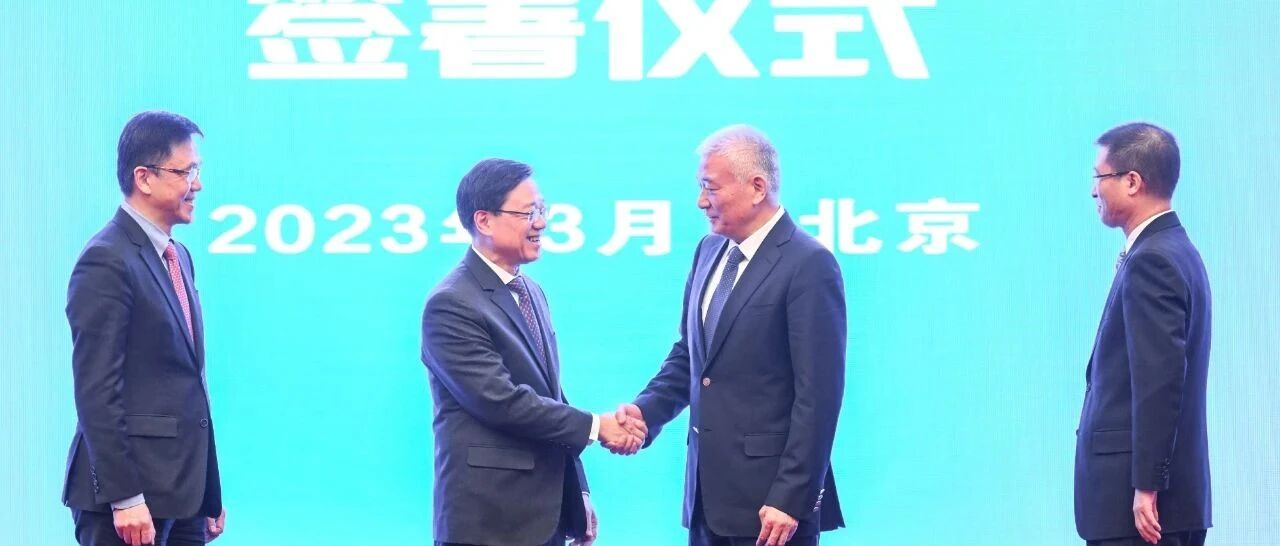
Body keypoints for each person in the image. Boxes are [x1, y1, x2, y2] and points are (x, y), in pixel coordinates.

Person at [617, 125, 846, 546]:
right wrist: (646, 413)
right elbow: (691, 356)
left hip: (772, 510)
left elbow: (819, 396)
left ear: (757, 187)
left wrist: (790, 497)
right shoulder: (708, 251)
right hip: (707, 500)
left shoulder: (808, 263)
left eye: (710, 188)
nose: (701, 201)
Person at [421, 158, 645, 546]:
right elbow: (502, 402)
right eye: (528, 213)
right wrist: (598, 426)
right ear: (484, 220)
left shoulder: (531, 292)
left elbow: (550, 396)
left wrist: (578, 496)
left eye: (542, 210)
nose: (540, 223)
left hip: (544, 518)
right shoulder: (452, 303)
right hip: (488, 524)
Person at [64, 111, 226, 546]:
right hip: (129, 503)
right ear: (144, 178)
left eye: (197, 171)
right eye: (185, 172)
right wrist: (125, 497)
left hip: (183, 498)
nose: (197, 185)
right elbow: (97, 389)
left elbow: (187, 383)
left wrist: (208, 491)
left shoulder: (179, 257)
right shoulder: (107, 259)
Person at [1076, 122, 1212, 546]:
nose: (1094, 191)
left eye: (1099, 177)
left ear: (1132, 181)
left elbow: (1160, 382)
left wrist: (1147, 487)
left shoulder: (1153, 260)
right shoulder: (1175, 250)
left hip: (1142, 513)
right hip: (1162, 507)